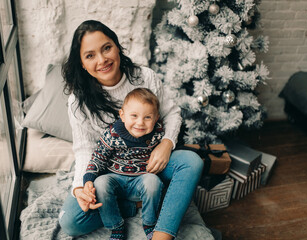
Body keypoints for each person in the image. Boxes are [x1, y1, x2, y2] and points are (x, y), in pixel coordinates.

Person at [59, 20, 205, 240]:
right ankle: (130, 205)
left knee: (192, 162)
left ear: (117, 46)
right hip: (110, 172)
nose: (102, 60)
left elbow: (172, 113)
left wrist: (166, 144)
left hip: (149, 165)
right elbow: (85, 149)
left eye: (106, 48)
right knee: (71, 221)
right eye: (90, 55)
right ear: (81, 63)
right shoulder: (78, 101)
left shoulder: (144, 77)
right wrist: (82, 186)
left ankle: (162, 233)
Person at [83, 88, 164, 240]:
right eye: (134, 116)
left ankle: (149, 223)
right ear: (122, 115)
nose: (140, 123)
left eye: (147, 117)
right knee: (100, 183)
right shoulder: (113, 134)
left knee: (153, 181)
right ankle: (116, 226)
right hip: (115, 179)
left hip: (140, 180)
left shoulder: (158, 133)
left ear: (156, 118)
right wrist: (88, 180)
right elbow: (98, 157)